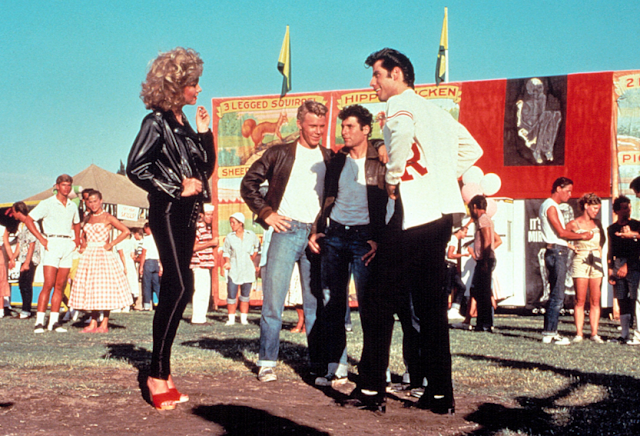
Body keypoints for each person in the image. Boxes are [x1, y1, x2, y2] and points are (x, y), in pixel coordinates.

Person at [361, 48, 483, 414]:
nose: (372, 82)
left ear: (397, 74)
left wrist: (394, 177)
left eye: (377, 74)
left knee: (378, 300)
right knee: (431, 307)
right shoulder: (437, 112)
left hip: (411, 213)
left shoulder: (399, 105)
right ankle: (441, 394)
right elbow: (472, 149)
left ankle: (371, 389)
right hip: (441, 214)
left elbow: (400, 134)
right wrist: (439, 176)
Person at [127, 47, 215, 411]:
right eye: (194, 83)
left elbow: (204, 169)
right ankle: (156, 374)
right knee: (178, 285)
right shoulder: (155, 122)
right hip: (166, 210)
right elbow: (136, 167)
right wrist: (176, 188)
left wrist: (205, 134)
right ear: (176, 85)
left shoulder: (184, 123)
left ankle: (162, 371)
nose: (198, 89)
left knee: (184, 286)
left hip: (187, 213)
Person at [241, 100, 331, 383]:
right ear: (300, 124)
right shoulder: (279, 152)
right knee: (273, 303)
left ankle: (318, 366)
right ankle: (267, 362)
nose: (317, 131)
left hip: (315, 237)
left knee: (314, 306)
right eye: (312, 125)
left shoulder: (329, 157)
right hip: (286, 229)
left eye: (322, 126)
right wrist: (266, 213)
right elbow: (248, 183)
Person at [308, 104, 388, 387]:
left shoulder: (380, 160)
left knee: (370, 307)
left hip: (365, 239)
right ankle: (336, 365)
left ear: (365, 129)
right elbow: (326, 199)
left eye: (350, 126)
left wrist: (378, 238)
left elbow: (390, 203)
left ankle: (375, 369)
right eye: (342, 126)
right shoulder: (337, 160)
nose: (344, 131)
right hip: (335, 236)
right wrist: (318, 230)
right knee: (332, 302)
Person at [22, 174, 80, 333]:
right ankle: (39, 322)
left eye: (69, 185)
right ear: (57, 186)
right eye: (64, 185)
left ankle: (54, 322)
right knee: (48, 284)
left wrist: (77, 239)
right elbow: (29, 219)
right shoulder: (47, 203)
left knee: (60, 285)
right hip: (52, 243)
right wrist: (41, 238)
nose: (66, 188)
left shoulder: (72, 205)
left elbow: (77, 223)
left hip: (67, 244)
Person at [539, 177, 594, 345]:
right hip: (557, 252)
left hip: (557, 249)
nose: (570, 195)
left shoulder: (549, 205)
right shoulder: (550, 206)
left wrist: (570, 245)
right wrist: (582, 236)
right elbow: (561, 233)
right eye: (568, 191)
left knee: (555, 293)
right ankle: (550, 332)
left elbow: (556, 236)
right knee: (557, 295)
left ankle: (549, 331)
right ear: (558, 188)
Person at [68, 190, 133, 332]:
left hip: (103, 254)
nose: (93, 204)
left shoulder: (108, 217)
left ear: (101, 201)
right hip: (89, 255)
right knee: (92, 288)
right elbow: (83, 235)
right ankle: (93, 322)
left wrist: (111, 244)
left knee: (104, 288)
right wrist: (83, 244)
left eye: (95, 201)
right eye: (90, 202)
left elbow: (126, 231)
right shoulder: (88, 217)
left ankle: (104, 323)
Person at [566, 193, 605, 343]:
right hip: (580, 259)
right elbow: (560, 236)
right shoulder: (574, 224)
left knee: (595, 299)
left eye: (598, 209)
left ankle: (594, 333)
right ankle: (579, 333)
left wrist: (599, 249)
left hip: (595, 260)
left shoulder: (598, 223)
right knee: (580, 299)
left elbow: (603, 239)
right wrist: (571, 246)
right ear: (586, 206)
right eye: (594, 208)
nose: (596, 211)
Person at [607, 196, 640, 345]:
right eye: (625, 208)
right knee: (621, 299)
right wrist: (610, 268)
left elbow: (637, 249)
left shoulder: (636, 225)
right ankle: (624, 334)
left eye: (629, 207)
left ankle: (637, 333)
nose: (628, 211)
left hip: (633, 265)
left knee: (635, 298)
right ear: (617, 210)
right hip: (617, 264)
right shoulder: (612, 229)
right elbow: (610, 250)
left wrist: (627, 265)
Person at [222, 212, 259, 325]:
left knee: (245, 295)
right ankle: (231, 319)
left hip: (247, 269)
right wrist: (227, 262)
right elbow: (226, 252)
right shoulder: (229, 237)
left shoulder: (251, 235)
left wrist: (252, 259)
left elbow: (257, 248)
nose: (231, 225)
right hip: (234, 268)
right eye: (230, 223)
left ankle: (243, 319)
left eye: (233, 223)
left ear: (240, 223)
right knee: (231, 294)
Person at [6, 202, 41, 319]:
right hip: (23, 257)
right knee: (22, 283)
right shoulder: (21, 225)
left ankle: (26, 310)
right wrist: (13, 258)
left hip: (30, 258)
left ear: (18, 212)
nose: (13, 214)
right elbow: (20, 244)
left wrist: (27, 262)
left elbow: (32, 244)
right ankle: (25, 309)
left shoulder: (31, 223)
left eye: (14, 212)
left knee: (26, 284)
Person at [467, 195, 497, 332]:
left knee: (483, 292)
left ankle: (485, 323)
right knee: (481, 291)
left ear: (475, 207)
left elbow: (487, 240)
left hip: (485, 259)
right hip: (485, 258)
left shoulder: (483, 219)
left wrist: (484, 260)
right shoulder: (484, 219)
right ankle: (482, 323)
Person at [190, 204, 218, 325]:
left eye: (212, 215)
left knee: (205, 292)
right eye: (208, 215)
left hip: (206, 264)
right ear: (202, 215)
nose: (210, 217)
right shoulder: (198, 228)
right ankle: (197, 318)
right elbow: (193, 246)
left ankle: (201, 317)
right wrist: (210, 243)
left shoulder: (208, 228)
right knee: (200, 291)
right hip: (199, 263)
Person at [446, 225, 471, 321]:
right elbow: (450, 255)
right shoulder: (453, 239)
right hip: (449, 266)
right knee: (448, 289)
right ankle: (445, 311)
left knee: (461, 287)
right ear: (459, 231)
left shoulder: (454, 239)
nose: (466, 235)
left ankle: (454, 309)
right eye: (465, 232)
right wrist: (463, 255)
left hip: (452, 266)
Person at [139, 223, 161, 311]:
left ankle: (147, 304)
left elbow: (144, 253)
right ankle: (158, 303)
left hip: (149, 262)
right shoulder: (159, 238)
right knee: (157, 285)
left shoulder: (147, 239)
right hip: (157, 262)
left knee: (147, 284)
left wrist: (141, 266)